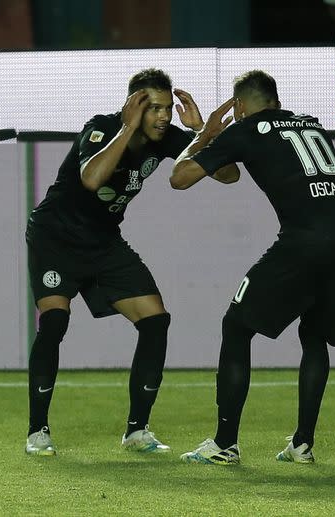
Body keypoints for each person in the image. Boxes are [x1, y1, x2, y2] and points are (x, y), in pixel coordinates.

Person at [24, 68, 239, 456]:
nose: (162, 116)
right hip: (55, 237)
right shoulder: (103, 128)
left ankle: (136, 431)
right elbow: (91, 179)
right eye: (152, 107)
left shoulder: (169, 136)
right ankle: (37, 430)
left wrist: (204, 134)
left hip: (104, 243)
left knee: (155, 321)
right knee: (55, 321)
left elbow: (229, 175)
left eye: (166, 108)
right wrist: (126, 129)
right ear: (132, 106)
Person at [171, 70, 335, 465]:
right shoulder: (310, 125)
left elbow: (180, 178)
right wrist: (213, 142)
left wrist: (204, 135)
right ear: (276, 101)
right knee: (313, 335)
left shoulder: (246, 129)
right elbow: (230, 173)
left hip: (306, 242)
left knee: (236, 325)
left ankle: (224, 445)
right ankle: (302, 445)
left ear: (239, 106)